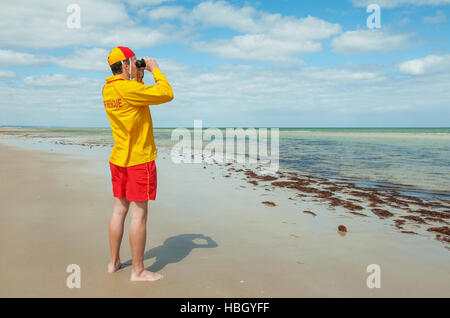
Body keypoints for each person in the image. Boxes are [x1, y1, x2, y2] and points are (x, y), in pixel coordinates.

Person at [102, 46, 174, 282]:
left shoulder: (109, 89)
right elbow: (166, 94)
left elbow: (135, 103)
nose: (135, 65)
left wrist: (139, 78)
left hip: (119, 159)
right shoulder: (128, 88)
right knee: (138, 215)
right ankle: (138, 271)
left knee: (119, 210)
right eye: (133, 62)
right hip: (138, 161)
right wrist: (155, 70)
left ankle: (113, 263)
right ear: (124, 65)